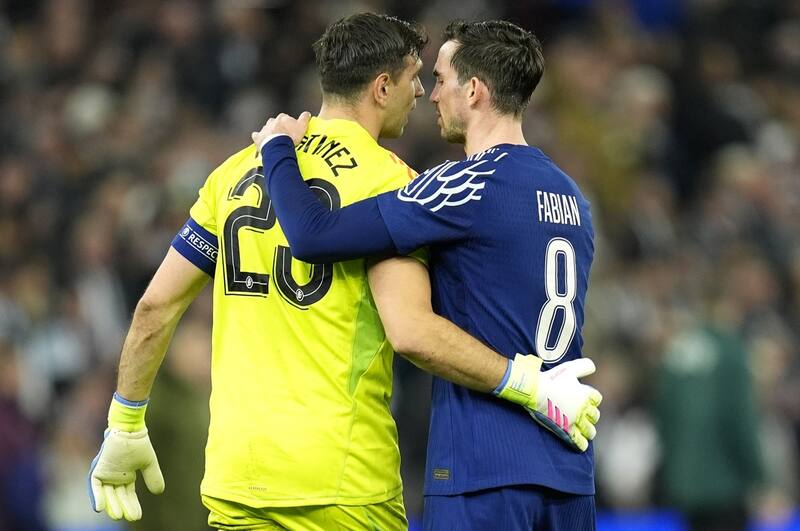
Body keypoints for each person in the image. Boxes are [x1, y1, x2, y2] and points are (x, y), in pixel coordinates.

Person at [88, 13, 600, 531]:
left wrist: (125, 422)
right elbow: (412, 329)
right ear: (382, 87)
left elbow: (156, 306)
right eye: (416, 78)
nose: (424, 92)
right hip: (348, 482)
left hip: (238, 478)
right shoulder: (398, 182)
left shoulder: (234, 172)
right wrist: (528, 384)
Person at [254, 19, 601, 530]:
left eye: (441, 79)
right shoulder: (573, 198)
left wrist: (277, 152)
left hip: (482, 468)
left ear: (475, 90)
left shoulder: (464, 185)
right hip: (569, 466)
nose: (431, 94)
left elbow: (313, 236)